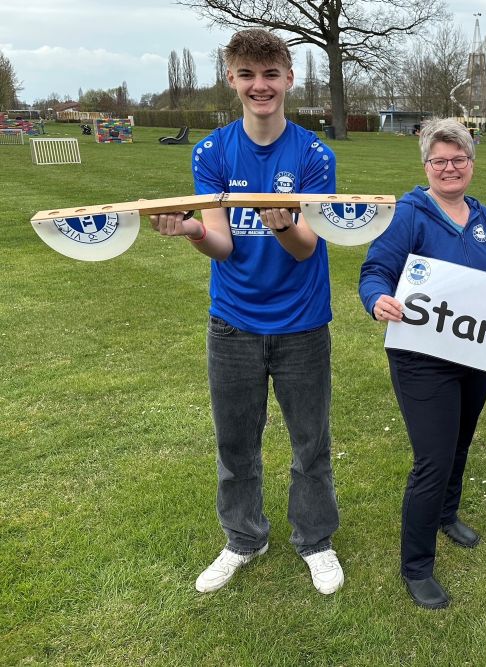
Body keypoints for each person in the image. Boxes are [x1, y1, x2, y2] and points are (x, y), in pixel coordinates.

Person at [149, 29, 344, 595]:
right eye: (248, 75)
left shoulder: (314, 154)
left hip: (303, 322)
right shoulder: (211, 152)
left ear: (288, 79)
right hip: (232, 320)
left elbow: (307, 245)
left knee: (311, 442)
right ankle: (243, 538)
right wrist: (189, 229)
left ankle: (316, 539)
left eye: (271, 74)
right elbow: (223, 243)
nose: (261, 86)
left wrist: (283, 223)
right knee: (236, 442)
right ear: (231, 79)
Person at [358, 118, 486, 609]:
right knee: (433, 458)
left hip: (475, 353)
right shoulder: (409, 215)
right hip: (422, 359)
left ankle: (446, 516)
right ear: (426, 165)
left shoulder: (485, 219)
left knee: (460, 443)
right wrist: (378, 298)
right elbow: (375, 269)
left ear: (472, 163)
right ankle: (416, 566)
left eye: (459, 159)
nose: (450, 167)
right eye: (439, 160)